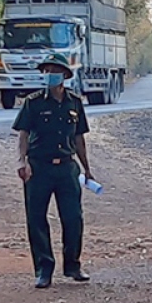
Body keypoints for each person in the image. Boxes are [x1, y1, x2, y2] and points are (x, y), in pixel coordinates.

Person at [13, 53, 95, 289]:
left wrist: (87, 169)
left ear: (65, 76)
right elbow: (23, 134)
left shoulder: (75, 103)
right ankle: (43, 269)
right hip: (38, 168)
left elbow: (79, 138)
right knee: (36, 218)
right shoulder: (33, 102)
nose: (50, 74)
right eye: (46, 71)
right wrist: (22, 161)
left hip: (67, 167)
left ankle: (73, 265)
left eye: (54, 71)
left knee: (73, 218)